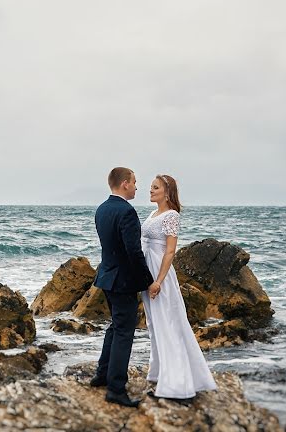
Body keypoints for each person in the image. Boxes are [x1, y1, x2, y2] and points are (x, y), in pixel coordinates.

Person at [141, 174, 217, 400]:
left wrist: (158, 281)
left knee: (168, 324)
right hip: (148, 271)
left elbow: (170, 251)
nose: (151, 190)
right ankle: (160, 373)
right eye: (150, 187)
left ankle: (176, 384)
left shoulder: (171, 216)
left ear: (167, 192)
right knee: (154, 324)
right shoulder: (152, 213)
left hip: (160, 275)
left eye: (155, 188)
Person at [89, 167, 155, 408]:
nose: (137, 187)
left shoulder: (102, 209)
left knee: (115, 327)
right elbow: (133, 252)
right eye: (135, 182)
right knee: (124, 332)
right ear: (125, 183)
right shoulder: (126, 212)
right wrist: (147, 281)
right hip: (123, 281)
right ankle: (116, 389)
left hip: (106, 277)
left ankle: (102, 375)